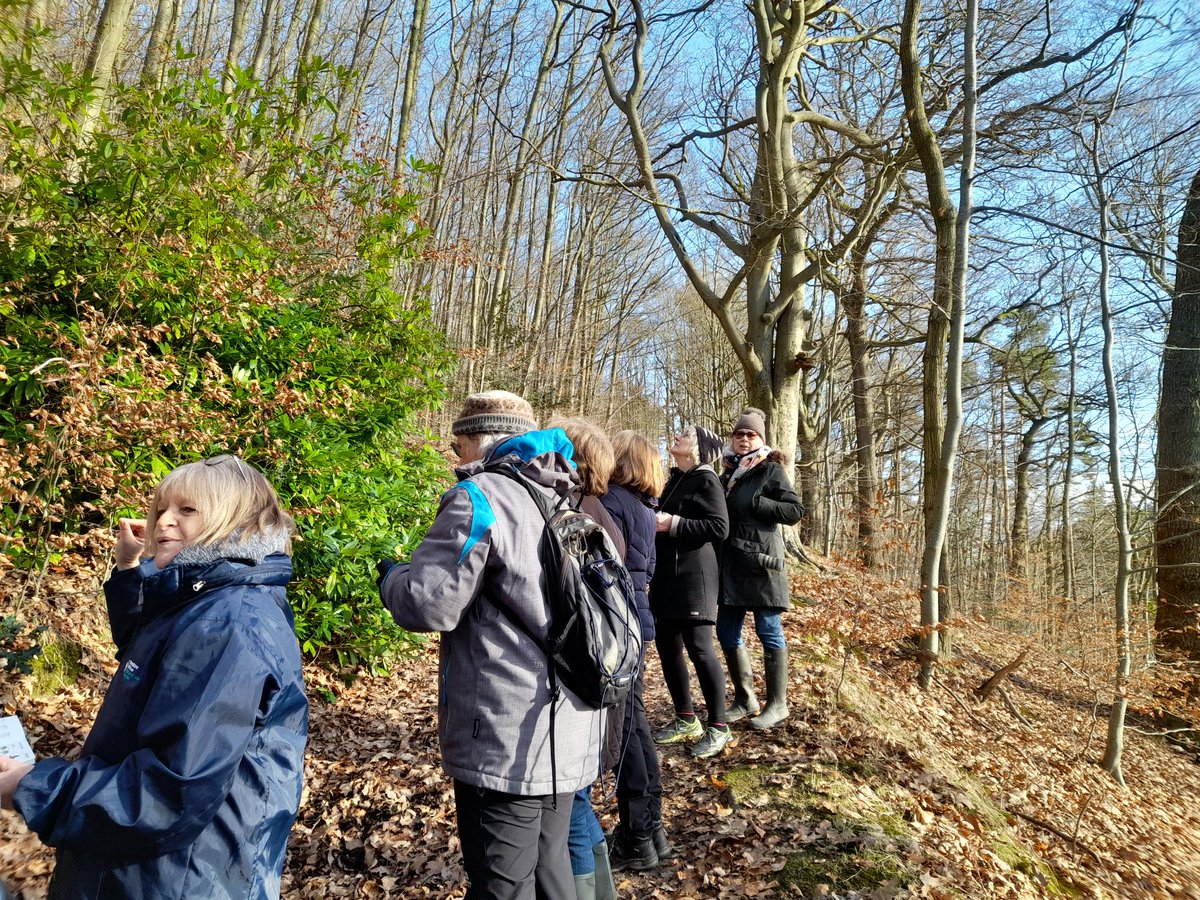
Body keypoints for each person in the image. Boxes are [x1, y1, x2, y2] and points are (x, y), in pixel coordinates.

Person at [0, 455, 308, 899]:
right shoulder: (207, 599)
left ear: (233, 522)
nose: (163, 521)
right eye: (161, 508)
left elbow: (166, 794)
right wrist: (130, 571)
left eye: (186, 511)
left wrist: (30, 787)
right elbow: (149, 659)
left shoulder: (227, 624)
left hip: (179, 874)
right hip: (157, 866)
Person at [378, 391, 604, 900]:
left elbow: (428, 604)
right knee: (552, 873)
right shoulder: (563, 493)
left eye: (457, 446)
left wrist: (392, 576)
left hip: (504, 732)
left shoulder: (479, 497)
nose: (455, 459)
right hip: (569, 722)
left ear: (479, 442)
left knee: (501, 885)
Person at [550, 418, 621, 900]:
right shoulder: (596, 511)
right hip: (598, 683)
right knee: (578, 803)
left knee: (572, 804)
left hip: (582, 684)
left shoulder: (581, 517)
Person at [600, 430, 671, 872]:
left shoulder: (613, 502)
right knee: (636, 724)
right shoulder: (644, 507)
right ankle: (652, 828)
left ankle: (638, 833)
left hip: (619, 622)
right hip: (637, 620)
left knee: (626, 729)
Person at [718, 407, 805, 730]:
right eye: (739, 434)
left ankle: (777, 704)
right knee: (726, 631)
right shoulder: (728, 473)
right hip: (731, 566)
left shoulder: (769, 470)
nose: (744, 439)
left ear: (760, 439)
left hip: (762, 565)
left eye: (750, 434)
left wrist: (759, 503)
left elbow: (795, 510)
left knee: (768, 630)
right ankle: (745, 699)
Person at [650, 424, 731, 759]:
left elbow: (719, 527)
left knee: (700, 649)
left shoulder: (706, 478)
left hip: (695, 577)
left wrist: (673, 524)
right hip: (666, 577)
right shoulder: (674, 479)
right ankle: (686, 719)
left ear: (700, 448)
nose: (676, 436)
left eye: (685, 434)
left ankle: (719, 727)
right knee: (668, 647)